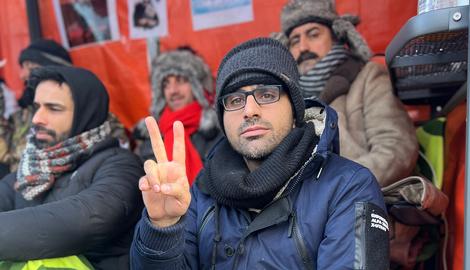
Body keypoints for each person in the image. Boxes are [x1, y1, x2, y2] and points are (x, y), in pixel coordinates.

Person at [130, 37, 389, 269]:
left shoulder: (349, 186)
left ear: (295, 109)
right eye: (235, 100)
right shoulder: (203, 191)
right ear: (222, 117)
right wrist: (162, 228)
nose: (249, 110)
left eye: (266, 94)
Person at [0, 66, 143, 269]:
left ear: (86, 114)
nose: (37, 118)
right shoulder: (28, 170)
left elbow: (87, 221)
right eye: (37, 107)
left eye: (54, 108)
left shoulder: (122, 166)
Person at [275, 0, 418, 187]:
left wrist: (332, 188)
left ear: (336, 37)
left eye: (313, 35)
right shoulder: (282, 99)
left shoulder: (368, 77)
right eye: (295, 41)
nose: (303, 47)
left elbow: (396, 151)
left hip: (360, 203)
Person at [0, 39, 130, 174]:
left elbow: (117, 168)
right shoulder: (20, 117)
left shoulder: (99, 122)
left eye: (32, 68)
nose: (22, 76)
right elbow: (4, 154)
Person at [133, 47, 221, 185]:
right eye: (166, 84)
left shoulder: (217, 131)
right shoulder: (151, 138)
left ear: (196, 86)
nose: (173, 90)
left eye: (180, 81)